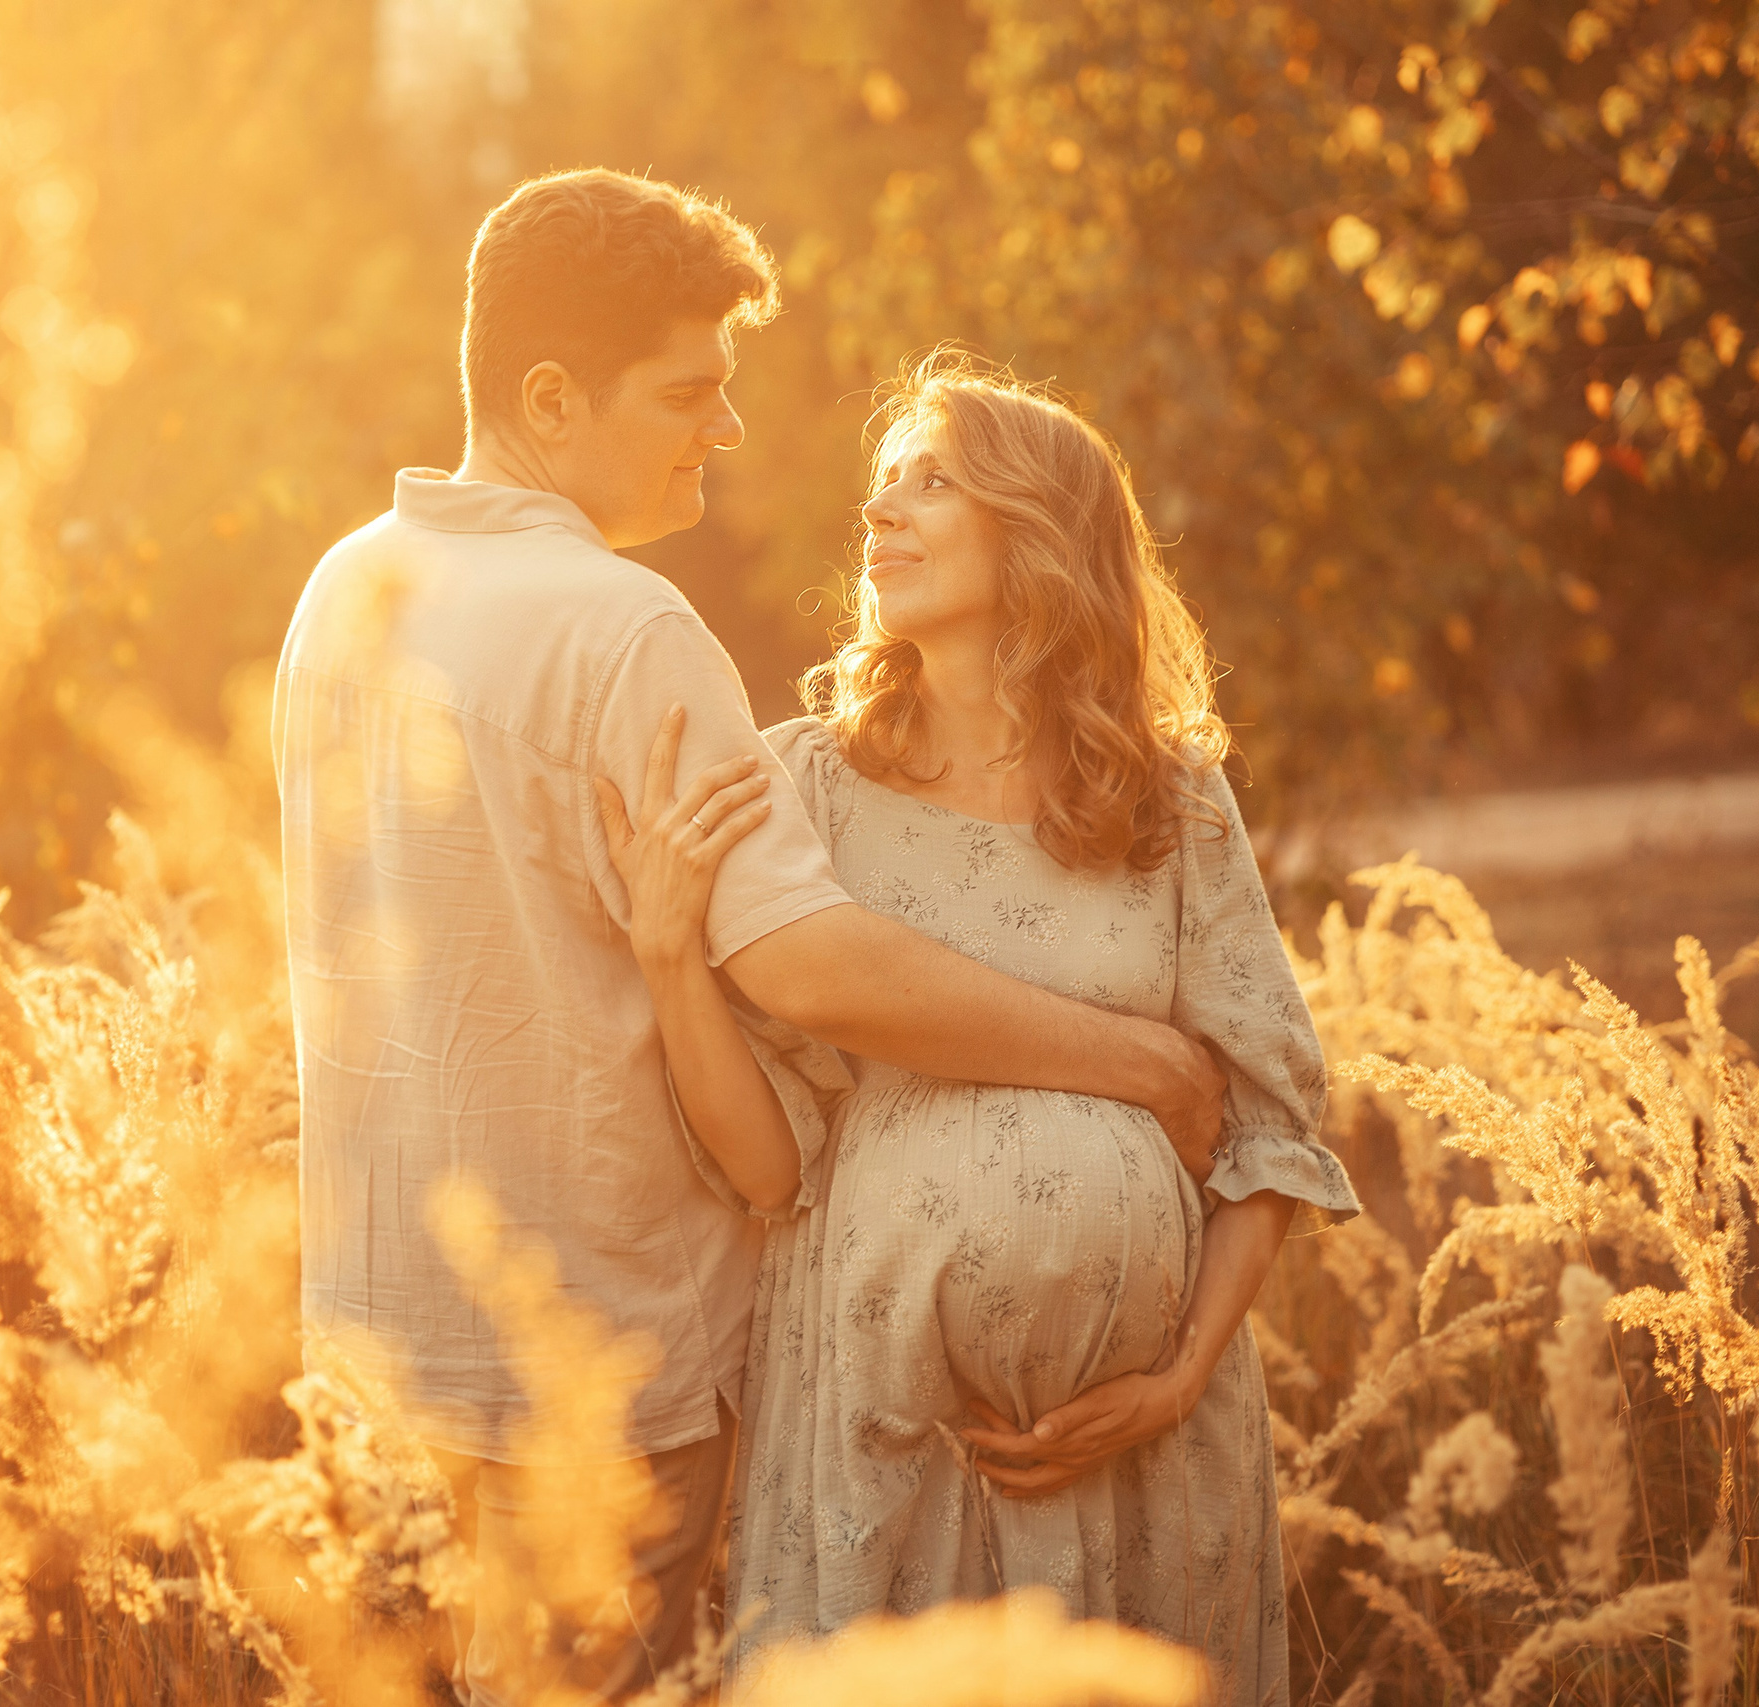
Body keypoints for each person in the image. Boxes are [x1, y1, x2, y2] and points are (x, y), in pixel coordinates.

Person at [272, 172, 1232, 1706]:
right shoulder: (624, 629)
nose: (721, 431)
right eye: (687, 393)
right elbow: (813, 964)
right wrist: (1144, 1064)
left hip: (387, 1348)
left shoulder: (347, 593)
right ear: (549, 396)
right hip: (592, 1367)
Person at [596, 351, 1361, 1704]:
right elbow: (769, 1168)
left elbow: (1269, 1128)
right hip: (883, 1430)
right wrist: (668, 954)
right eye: (880, 491)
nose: (881, 517)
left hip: (1142, 1454)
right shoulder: (808, 789)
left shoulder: (1167, 798)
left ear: (1042, 531)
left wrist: (1177, 1378)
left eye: (931, 484)